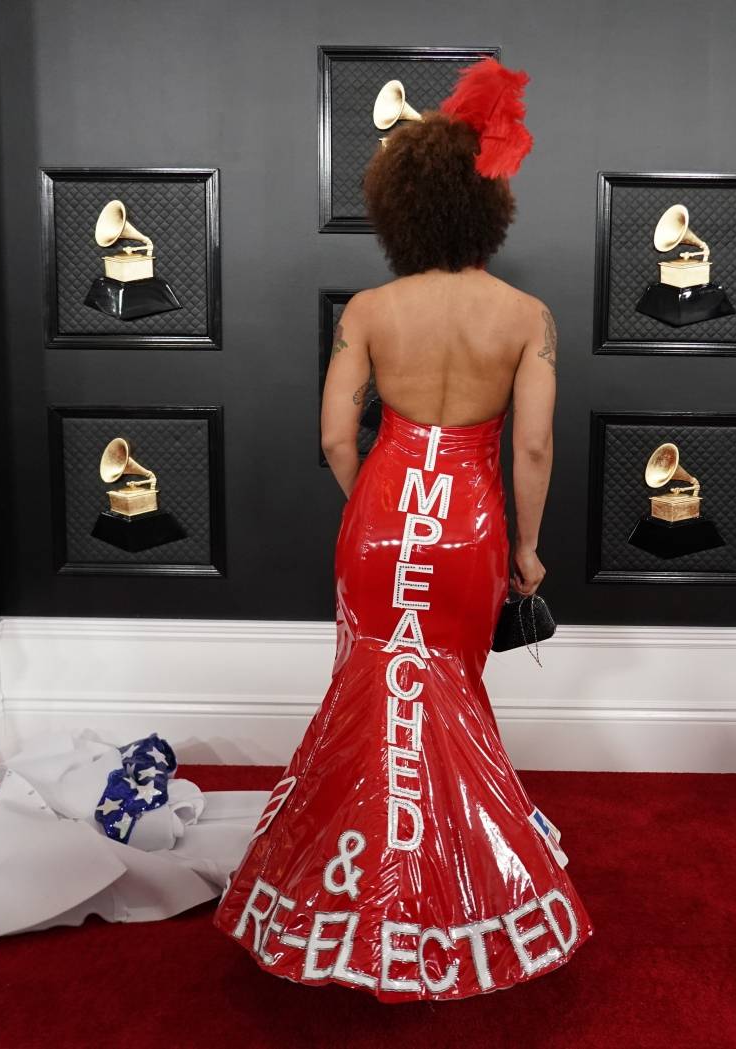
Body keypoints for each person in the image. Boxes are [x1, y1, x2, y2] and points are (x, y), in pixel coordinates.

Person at [212, 57, 592, 1001]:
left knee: (372, 695)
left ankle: (344, 907)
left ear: (398, 209)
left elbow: (336, 433)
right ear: (486, 208)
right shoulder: (525, 317)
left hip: (381, 520)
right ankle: (453, 901)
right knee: (448, 698)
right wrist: (528, 551)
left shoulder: (369, 310)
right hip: (468, 527)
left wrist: (371, 504)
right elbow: (533, 449)